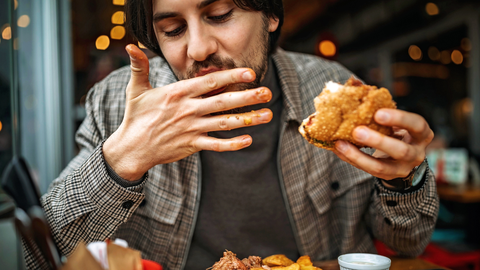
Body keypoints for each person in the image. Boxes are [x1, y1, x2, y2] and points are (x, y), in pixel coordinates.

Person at [25, 0, 439, 269]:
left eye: (220, 15)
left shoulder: (333, 91)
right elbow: (38, 255)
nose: (199, 48)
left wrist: (406, 179)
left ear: (271, 14)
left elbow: (409, 241)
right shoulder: (117, 103)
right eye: (172, 30)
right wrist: (120, 162)